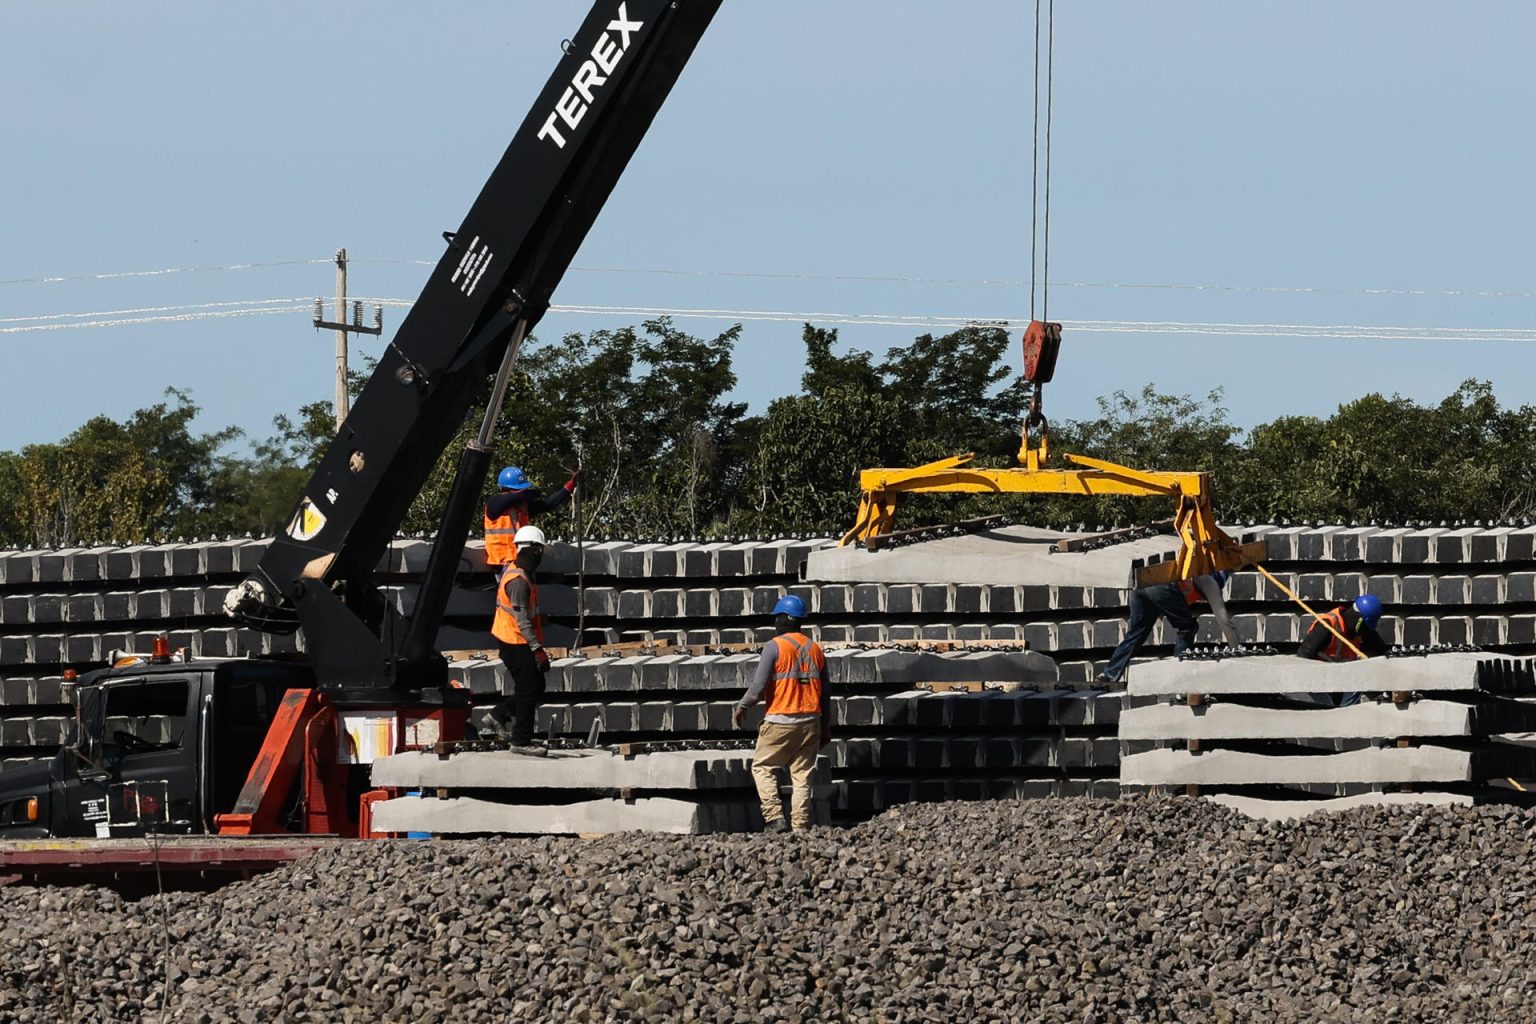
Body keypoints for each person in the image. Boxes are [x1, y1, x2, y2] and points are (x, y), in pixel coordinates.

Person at [732, 595, 830, 833]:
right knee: (801, 776)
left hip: (780, 721)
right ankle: (800, 827)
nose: (775, 622)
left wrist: (742, 706)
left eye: (777, 617)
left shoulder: (774, 647)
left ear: (787, 619)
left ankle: (775, 817)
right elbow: (825, 694)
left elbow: (757, 688)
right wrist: (826, 727)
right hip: (811, 722)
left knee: (763, 767)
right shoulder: (816, 649)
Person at [1097, 570, 1240, 685]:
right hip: (1160, 586)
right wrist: (1238, 651)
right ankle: (1179, 674)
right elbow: (1224, 620)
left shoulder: (1197, 570)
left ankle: (1110, 674)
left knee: (1137, 632)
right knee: (1188, 627)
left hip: (1140, 584)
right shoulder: (1210, 581)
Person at [485, 525, 552, 752]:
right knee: (528, 688)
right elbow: (522, 620)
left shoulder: (521, 573)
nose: (541, 555)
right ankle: (520, 741)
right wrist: (537, 649)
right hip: (514, 641)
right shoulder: (518, 581)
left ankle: (499, 715)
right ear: (532, 550)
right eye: (539, 550)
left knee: (535, 686)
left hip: (517, 638)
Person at [1297, 594, 1387, 708]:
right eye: (1365, 626)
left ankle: (1347, 715)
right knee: (1326, 708)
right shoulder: (1328, 624)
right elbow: (1303, 656)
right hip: (1317, 682)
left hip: (1341, 682)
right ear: (1359, 622)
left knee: (1359, 676)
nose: (1367, 631)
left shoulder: (1363, 630)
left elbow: (1381, 650)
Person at [483, 466, 580, 567]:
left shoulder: (522, 505)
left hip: (519, 559)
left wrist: (570, 485)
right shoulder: (494, 503)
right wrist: (533, 493)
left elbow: (547, 504)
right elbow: (516, 497)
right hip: (501, 561)